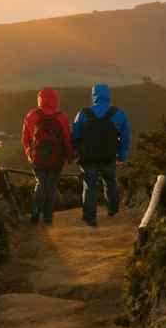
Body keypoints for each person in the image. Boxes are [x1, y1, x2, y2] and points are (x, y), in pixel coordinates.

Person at [70, 82, 132, 225]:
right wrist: (121, 156)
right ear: (108, 96)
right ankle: (112, 209)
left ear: (93, 96)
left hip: (88, 158)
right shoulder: (118, 114)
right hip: (109, 157)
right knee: (110, 182)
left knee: (89, 186)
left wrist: (76, 152)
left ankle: (90, 218)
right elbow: (126, 137)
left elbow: (74, 136)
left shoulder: (83, 114)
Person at [20, 87, 74, 225]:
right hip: (56, 160)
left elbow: (25, 138)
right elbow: (67, 139)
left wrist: (29, 153)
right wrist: (69, 156)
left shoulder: (32, 115)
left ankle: (35, 211)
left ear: (40, 99)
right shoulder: (61, 117)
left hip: (37, 159)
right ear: (56, 99)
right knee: (50, 186)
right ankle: (48, 216)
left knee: (40, 183)